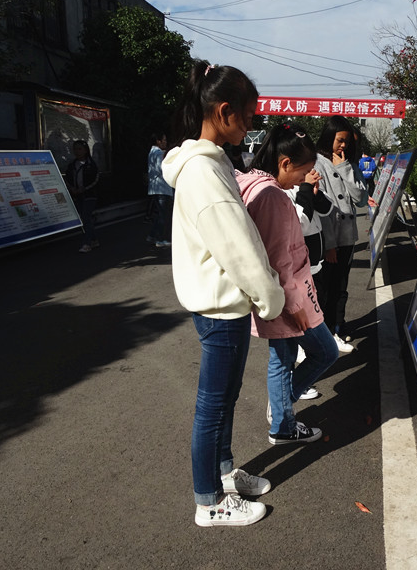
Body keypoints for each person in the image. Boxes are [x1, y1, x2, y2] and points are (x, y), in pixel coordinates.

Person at [161, 60, 285, 528]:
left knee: (225, 398)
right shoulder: (203, 172)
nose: (251, 126)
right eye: (248, 116)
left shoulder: (212, 164)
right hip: (220, 306)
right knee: (213, 406)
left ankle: (225, 473)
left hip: (223, 303)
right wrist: (270, 296)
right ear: (224, 111)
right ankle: (208, 501)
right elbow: (237, 246)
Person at [236, 123, 339, 445]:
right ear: (284, 163)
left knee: (283, 357)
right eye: (303, 172)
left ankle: (282, 418)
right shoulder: (273, 197)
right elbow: (279, 258)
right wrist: (294, 305)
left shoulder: (249, 185)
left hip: (274, 293)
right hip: (288, 294)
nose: (304, 179)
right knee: (325, 352)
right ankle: (281, 415)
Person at [313, 115, 368, 352]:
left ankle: (337, 326)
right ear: (329, 138)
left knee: (341, 286)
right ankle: (324, 333)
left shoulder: (349, 164)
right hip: (329, 238)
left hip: (347, 236)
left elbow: (361, 198)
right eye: (339, 140)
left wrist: (345, 169)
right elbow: (321, 209)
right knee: (324, 289)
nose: (343, 145)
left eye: (347, 141)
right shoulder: (317, 163)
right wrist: (329, 245)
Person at [286, 163, 333, 399]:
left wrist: (314, 191)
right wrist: (305, 188)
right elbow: (301, 222)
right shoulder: (283, 192)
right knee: (298, 333)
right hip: (297, 273)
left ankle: (297, 381)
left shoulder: (303, 189)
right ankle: (293, 385)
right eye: (304, 168)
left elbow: (327, 208)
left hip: (314, 266)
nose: (309, 173)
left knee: (313, 320)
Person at [64, 140, 100, 253]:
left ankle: (87, 243)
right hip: (77, 195)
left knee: (85, 216)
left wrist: (84, 188)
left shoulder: (91, 164)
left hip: (90, 195)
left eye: (80, 149)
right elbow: (67, 178)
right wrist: (72, 188)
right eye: (75, 149)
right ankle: (94, 239)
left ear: (85, 150)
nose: (77, 151)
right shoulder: (72, 165)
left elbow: (96, 180)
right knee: (85, 218)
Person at [147, 132, 173, 248]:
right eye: (164, 140)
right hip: (162, 188)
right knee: (163, 215)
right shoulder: (158, 153)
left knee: (159, 214)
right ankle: (160, 239)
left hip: (155, 188)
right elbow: (161, 168)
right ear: (158, 141)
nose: (165, 142)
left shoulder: (152, 152)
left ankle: (152, 235)